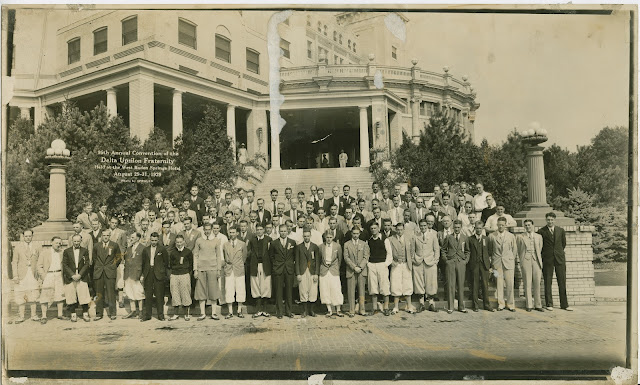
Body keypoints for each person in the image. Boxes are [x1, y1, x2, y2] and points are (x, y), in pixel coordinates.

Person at [538, 212, 572, 311]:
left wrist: (558, 253)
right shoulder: (541, 231)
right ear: (546, 220)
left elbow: (563, 244)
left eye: (552, 220)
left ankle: (564, 305)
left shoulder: (560, 230)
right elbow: (540, 246)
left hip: (559, 259)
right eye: (548, 220)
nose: (550, 221)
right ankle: (549, 304)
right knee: (548, 282)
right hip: (548, 259)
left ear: (555, 220)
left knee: (562, 281)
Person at [193, 223, 224, 321]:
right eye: (205, 229)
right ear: (203, 230)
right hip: (201, 268)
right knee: (201, 291)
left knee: (213, 291)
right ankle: (202, 313)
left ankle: (214, 313)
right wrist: (195, 270)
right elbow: (195, 255)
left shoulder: (216, 241)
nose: (207, 231)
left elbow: (218, 256)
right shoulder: (199, 240)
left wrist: (218, 269)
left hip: (213, 268)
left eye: (208, 229)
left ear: (211, 230)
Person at [11, 229, 41, 323]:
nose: (28, 238)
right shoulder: (18, 247)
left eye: (30, 236)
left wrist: (40, 275)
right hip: (21, 274)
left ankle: (34, 315)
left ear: (32, 236)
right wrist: (15, 275)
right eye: (26, 236)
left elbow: (40, 261)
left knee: (34, 294)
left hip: (33, 273)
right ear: (23, 237)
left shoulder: (37, 246)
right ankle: (21, 316)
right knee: (20, 294)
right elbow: (14, 262)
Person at [488, 217, 518, 312]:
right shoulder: (492, 236)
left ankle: (510, 304)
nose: (501, 226)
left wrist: (511, 258)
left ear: (505, 225)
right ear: (497, 225)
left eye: (502, 225)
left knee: (510, 283)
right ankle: (500, 304)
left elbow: (514, 249)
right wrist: (492, 262)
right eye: (499, 224)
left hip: (508, 262)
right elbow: (490, 250)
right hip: (497, 263)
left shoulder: (511, 236)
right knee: (499, 283)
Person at [37, 236, 69, 324]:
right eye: (56, 243)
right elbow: (39, 266)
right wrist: (43, 276)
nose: (58, 245)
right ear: (51, 242)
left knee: (60, 295)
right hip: (48, 275)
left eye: (59, 243)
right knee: (45, 296)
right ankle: (44, 316)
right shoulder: (45, 252)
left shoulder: (62, 252)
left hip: (59, 275)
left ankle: (60, 314)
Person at [92, 229, 123, 320]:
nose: (105, 237)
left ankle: (112, 313)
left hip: (110, 272)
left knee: (111, 293)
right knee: (99, 293)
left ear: (109, 236)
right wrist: (99, 266)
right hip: (99, 272)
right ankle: (98, 314)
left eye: (107, 235)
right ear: (101, 236)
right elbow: (94, 258)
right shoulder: (96, 246)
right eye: (104, 235)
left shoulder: (114, 245)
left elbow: (118, 258)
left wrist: (112, 266)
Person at [465, 220, 495, 312]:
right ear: (474, 229)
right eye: (477, 228)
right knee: (475, 285)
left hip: (484, 264)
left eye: (480, 228)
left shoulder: (486, 239)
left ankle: (487, 304)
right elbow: (468, 251)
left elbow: (490, 252)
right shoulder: (470, 239)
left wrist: (489, 265)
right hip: (474, 265)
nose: (478, 230)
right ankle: (476, 305)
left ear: (482, 229)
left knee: (485, 285)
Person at [141, 232, 170, 321]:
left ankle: (160, 315)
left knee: (159, 295)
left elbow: (166, 262)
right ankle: (147, 315)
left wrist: (163, 273)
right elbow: (143, 263)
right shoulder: (146, 250)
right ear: (150, 240)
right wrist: (143, 274)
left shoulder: (162, 249)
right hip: (148, 273)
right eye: (152, 240)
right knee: (148, 295)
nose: (153, 242)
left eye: (155, 240)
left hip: (158, 273)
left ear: (158, 240)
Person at [388, 222, 417, 314]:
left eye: (401, 230)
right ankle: (396, 307)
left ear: (404, 230)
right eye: (398, 230)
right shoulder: (391, 239)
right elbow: (388, 252)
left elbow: (412, 249)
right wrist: (392, 261)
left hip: (406, 264)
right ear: (395, 230)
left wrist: (410, 259)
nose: (400, 231)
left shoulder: (408, 238)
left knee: (407, 284)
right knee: (396, 284)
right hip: (396, 264)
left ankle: (409, 306)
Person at [441, 219, 469, 314]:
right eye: (455, 227)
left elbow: (467, 251)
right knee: (451, 285)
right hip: (451, 263)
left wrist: (465, 261)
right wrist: (446, 260)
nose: (457, 229)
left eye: (458, 227)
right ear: (453, 227)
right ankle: (450, 307)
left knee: (461, 285)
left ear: (461, 228)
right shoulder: (448, 237)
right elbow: (443, 250)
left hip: (461, 262)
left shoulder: (465, 238)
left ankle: (461, 306)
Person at [413, 217, 440, 312]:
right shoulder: (416, 236)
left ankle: (431, 304)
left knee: (431, 282)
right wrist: (414, 259)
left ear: (427, 226)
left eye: (425, 225)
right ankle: (421, 303)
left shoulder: (433, 235)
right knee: (419, 282)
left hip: (430, 261)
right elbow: (412, 249)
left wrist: (435, 260)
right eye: (421, 226)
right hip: (418, 262)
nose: (423, 227)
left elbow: (436, 249)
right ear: (419, 226)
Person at [63, 234, 91, 322]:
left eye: (78, 241)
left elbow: (87, 264)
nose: (76, 243)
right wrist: (72, 275)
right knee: (71, 295)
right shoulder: (67, 251)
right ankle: (73, 314)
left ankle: (85, 314)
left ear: (80, 241)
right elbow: (65, 264)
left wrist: (80, 274)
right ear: (72, 241)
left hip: (81, 276)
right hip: (71, 276)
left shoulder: (85, 251)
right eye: (74, 241)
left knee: (84, 295)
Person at [517, 219, 544, 312]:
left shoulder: (538, 236)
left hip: (536, 260)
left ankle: (538, 304)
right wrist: (522, 259)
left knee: (537, 282)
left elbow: (540, 248)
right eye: (526, 225)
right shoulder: (520, 237)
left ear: (533, 226)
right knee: (527, 282)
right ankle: (529, 305)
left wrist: (536, 257)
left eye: (529, 225)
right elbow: (519, 249)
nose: (528, 227)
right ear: (524, 227)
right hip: (526, 260)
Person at [270, 224, 297, 319]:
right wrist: (276, 266)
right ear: (279, 232)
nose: (283, 233)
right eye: (281, 231)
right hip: (278, 269)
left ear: (288, 231)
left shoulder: (292, 242)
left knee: (289, 291)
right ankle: (279, 312)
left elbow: (295, 256)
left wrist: (291, 266)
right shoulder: (274, 243)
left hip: (289, 269)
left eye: (285, 231)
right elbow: (271, 257)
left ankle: (289, 311)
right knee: (278, 291)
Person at [366, 222, 392, 316]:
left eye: (375, 228)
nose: (373, 230)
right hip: (372, 265)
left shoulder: (385, 239)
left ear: (378, 228)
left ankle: (386, 308)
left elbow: (389, 253)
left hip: (382, 265)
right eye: (371, 228)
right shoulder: (369, 240)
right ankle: (374, 308)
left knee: (384, 286)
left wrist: (386, 264)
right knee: (373, 287)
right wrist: (368, 263)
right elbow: (367, 253)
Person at [343, 227, 369, 317]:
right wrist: (354, 267)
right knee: (351, 291)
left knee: (362, 291)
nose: (355, 235)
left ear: (359, 234)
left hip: (361, 271)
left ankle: (362, 309)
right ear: (351, 233)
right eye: (354, 233)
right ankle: (351, 310)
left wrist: (360, 267)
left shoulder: (364, 244)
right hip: (351, 270)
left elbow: (366, 257)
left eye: (357, 233)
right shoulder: (347, 244)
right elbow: (346, 257)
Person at [248, 223, 272, 317]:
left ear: (264, 230)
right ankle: (258, 310)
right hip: (255, 265)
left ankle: (265, 310)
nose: (259, 231)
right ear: (255, 231)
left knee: (265, 286)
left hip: (265, 265)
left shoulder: (268, 240)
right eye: (257, 230)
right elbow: (249, 254)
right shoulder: (252, 240)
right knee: (255, 286)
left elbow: (271, 254)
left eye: (261, 229)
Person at [223, 227, 247, 319]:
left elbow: (244, 257)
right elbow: (225, 257)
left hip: (239, 269)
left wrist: (239, 264)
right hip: (229, 269)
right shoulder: (225, 244)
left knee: (240, 289)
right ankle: (230, 311)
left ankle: (239, 310)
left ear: (237, 233)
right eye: (230, 232)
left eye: (233, 232)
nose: (232, 234)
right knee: (229, 289)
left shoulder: (242, 244)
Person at [295, 227, 321, 317]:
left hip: (312, 271)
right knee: (303, 290)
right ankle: (304, 311)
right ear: (303, 236)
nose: (306, 238)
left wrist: (316, 274)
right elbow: (297, 261)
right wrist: (298, 273)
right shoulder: (299, 247)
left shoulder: (315, 247)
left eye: (308, 236)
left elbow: (317, 261)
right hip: (302, 271)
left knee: (313, 291)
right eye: (305, 236)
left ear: (310, 236)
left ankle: (312, 310)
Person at [319, 230, 344, 318]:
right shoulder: (321, 246)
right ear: (324, 238)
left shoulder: (337, 246)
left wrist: (336, 268)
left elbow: (340, 259)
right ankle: (329, 309)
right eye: (327, 237)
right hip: (324, 270)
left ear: (333, 237)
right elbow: (319, 259)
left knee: (336, 288)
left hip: (334, 270)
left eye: (330, 237)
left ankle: (338, 309)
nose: (329, 239)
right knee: (325, 289)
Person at [168, 235, 193, 321]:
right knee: (175, 294)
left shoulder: (188, 252)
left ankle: (186, 314)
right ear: (175, 243)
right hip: (175, 274)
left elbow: (191, 265)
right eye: (177, 242)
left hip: (184, 274)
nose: (179, 244)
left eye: (180, 242)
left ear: (183, 242)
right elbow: (171, 265)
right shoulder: (173, 253)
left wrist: (185, 272)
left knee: (185, 293)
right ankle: (176, 314)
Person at [122, 232, 145, 319]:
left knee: (139, 293)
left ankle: (141, 312)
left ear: (138, 238)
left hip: (137, 274)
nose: (131, 239)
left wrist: (142, 275)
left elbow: (144, 263)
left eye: (133, 237)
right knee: (130, 293)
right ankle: (133, 311)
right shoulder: (128, 249)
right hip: (128, 274)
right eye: (131, 237)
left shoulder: (143, 248)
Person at [107, 217, 127, 308]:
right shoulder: (106, 232)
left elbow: (124, 246)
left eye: (115, 223)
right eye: (112, 222)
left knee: (120, 279)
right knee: (109, 279)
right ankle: (109, 300)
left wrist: (121, 259)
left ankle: (120, 300)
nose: (113, 224)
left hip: (118, 258)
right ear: (109, 222)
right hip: (108, 259)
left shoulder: (121, 232)